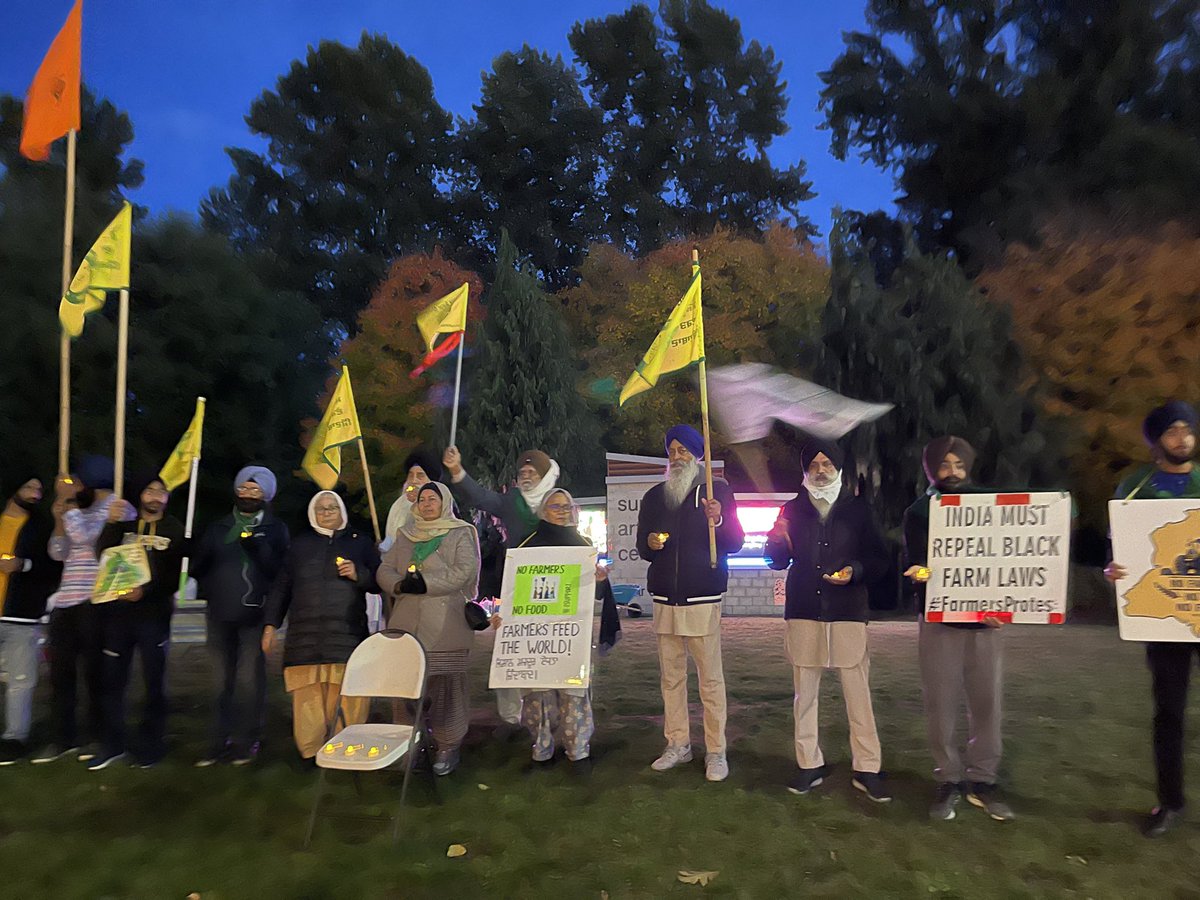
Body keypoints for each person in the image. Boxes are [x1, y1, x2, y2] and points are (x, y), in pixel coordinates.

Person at [764, 440, 891, 802]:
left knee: (858, 695)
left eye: (827, 464)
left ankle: (867, 767)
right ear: (806, 471)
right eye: (814, 464)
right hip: (804, 609)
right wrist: (776, 542)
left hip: (849, 610)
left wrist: (856, 570)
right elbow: (775, 559)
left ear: (838, 469)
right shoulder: (791, 509)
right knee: (805, 694)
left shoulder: (858, 510)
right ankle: (808, 763)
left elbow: (880, 559)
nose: (820, 470)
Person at [903, 436, 1015, 822]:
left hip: (985, 623)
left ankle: (983, 779)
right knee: (941, 704)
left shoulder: (990, 504)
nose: (952, 472)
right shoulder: (919, 511)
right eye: (944, 465)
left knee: (988, 703)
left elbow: (1007, 556)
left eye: (959, 465)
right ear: (931, 468)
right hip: (939, 623)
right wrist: (920, 573)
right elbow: (918, 562)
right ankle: (948, 777)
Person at [1105, 400, 1200, 837]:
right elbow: (1121, 551)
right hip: (1164, 617)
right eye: (1172, 431)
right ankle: (1170, 802)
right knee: (1169, 712)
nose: (1182, 438)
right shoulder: (1133, 488)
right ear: (1157, 440)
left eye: (1188, 430)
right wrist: (1114, 570)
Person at [636, 424, 744, 782]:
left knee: (710, 680)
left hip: (702, 594)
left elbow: (735, 543)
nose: (678, 456)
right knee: (671, 678)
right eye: (672, 450)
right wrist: (650, 542)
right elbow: (642, 548)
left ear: (698, 455)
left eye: (685, 450)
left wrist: (719, 518)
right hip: (665, 595)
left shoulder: (717, 492)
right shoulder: (654, 497)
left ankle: (716, 750)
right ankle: (678, 743)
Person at [443, 445, 561, 735]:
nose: (526, 476)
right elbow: (481, 497)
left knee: (549, 651)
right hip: (516, 587)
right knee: (509, 649)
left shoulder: (558, 501)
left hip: (552, 589)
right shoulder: (512, 501)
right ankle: (511, 718)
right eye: (522, 472)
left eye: (533, 472)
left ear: (545, 475)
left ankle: (549, 713)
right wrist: (457, 469)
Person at [263, 490, 380, 762]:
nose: (327, 513)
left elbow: (379, 581)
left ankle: (346, 749)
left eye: (332, 508)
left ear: (342, 512)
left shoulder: (359, 543)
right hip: (304, 638)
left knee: (348, 697)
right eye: (321, 509)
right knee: (308, 702)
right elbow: (282, 588)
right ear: (312, 514)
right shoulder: (299, 546)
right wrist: (270, 624)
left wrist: (359, 574)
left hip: (347, 635)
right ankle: (311, 753)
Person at [509, 488, 621, 772]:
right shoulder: (527, 546)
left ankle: (578, 748)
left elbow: (592, 594)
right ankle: (542, 747)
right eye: (555, 506)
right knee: (539, 693)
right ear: (543, 512)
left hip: (572, 634)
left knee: (573, 691)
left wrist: (598, 580)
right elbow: (512, 588)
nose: (561, 511)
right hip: (536, 634)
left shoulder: (584, 546)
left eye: (566, 507)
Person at [377, 482, 481, 776]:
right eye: (422, 499)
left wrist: (426, 584)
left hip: (447, 623)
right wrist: (398, 584)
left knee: (447, 688)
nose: (427, 503)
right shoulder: (406, 535)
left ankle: (448, 745)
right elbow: (384, 569)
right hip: (407, 625)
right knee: (405, 689)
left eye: (433, 498)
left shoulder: (460, 532)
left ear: (444, 502)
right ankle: (408, 745)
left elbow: (465, 571)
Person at [33, 455, 131, 765]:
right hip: (66, 602)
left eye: (76, 482)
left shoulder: (116, 508)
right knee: (61, 676)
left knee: (95, 675)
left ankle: (97, 737)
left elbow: (88, 538)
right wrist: (60, 517)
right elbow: (58, 551)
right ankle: (63, 738)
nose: (71, 487)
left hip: (95, 601)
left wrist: (68, 505)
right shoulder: (79, 511)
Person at [191, 466, 289, 766]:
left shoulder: (275, 529)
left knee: (249, 680)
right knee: (220, 681)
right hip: (220, 614)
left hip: (255, 617)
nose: (248, 495)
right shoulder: (219, 528)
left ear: (266, 496)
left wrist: (258, 549)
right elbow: (199, 565)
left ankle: (247, 741)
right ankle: (217, 741)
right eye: (244, 489)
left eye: (255, 490)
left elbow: (281, 573)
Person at [91, 474, 185, 770]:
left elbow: (173, 576)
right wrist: (110, 524)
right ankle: (112, 744)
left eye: (162, 491)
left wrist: (146, 591)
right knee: (113, 681)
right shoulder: (124, 527)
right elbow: (103, 557)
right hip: (119, 618)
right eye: (150, 490)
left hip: (154, 618)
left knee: (153, 683)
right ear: (140, 495)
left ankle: (151, 746)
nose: (156, 496)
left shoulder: (175, 530)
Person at [0, 474, 61, 765]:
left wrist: (23, 564)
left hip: (21, 616)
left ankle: (14, 738)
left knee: (20, 681)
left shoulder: (40, 529)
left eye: (39, 489)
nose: (36, 494)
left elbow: (54, 570)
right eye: (29, 487)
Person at [381, 449, 442, 552]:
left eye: (420, 476)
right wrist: (383, 547)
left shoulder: (442, 504)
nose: (414, 481)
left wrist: (420, 502)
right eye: (411, 475)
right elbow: (391, 535)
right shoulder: (400, 503)